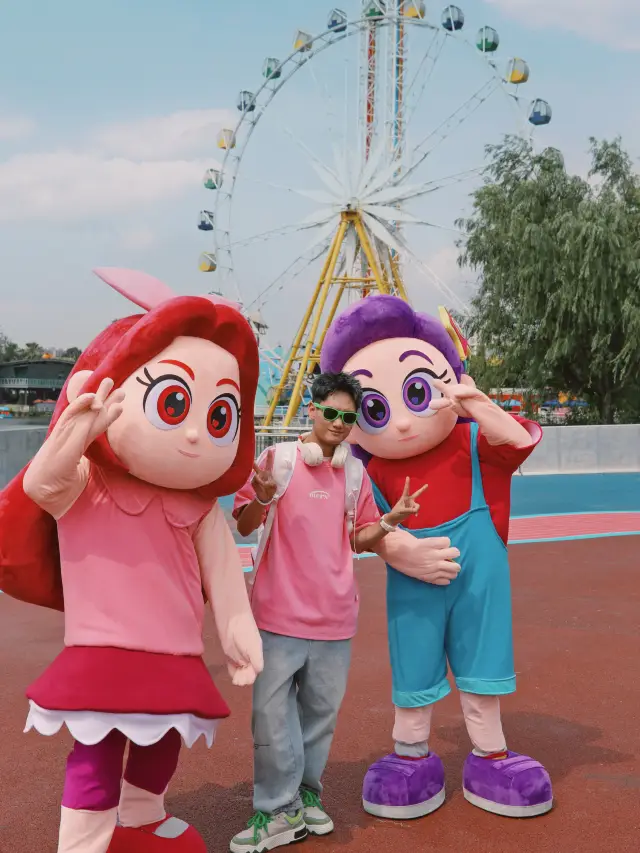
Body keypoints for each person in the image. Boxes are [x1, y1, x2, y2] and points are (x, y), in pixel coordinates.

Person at [0, 267, 264, 853]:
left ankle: (143, 816)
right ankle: (83, 844)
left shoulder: (199, 507)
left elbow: (224, 578)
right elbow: (42, 485)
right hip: (103, 652)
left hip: (176, 652)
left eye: (219, 416)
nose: (197, 434)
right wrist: (74, 434)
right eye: (176, 403)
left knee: (163, 742)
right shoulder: (86, 481)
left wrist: (237, 629)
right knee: (95, 752)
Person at [320, 295, 553, 821]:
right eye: (376, 408)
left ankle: (491, 755)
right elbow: (363, 528)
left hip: (479, 586)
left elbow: (518, 443)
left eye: (417, 391)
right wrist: (403, 549)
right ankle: (411, 757)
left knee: (482, 664)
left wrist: (477, 401)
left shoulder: (473, 442)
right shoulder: (372, 472)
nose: (400, 423)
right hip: (413, 587)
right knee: (415, 666)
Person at [230, 371, 461, 853]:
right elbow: (247, 522)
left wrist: (392, 521)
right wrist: (266, 495)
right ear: (311, 409)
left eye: (347, 417)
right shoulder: (279, 460)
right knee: (271, 719)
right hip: (277, 616)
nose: (337, 423)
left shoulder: (353, 473)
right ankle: (275, 810)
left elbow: (357, 540)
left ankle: (306, 797)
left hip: (335, 619)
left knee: (318, 718)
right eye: (330, 413)